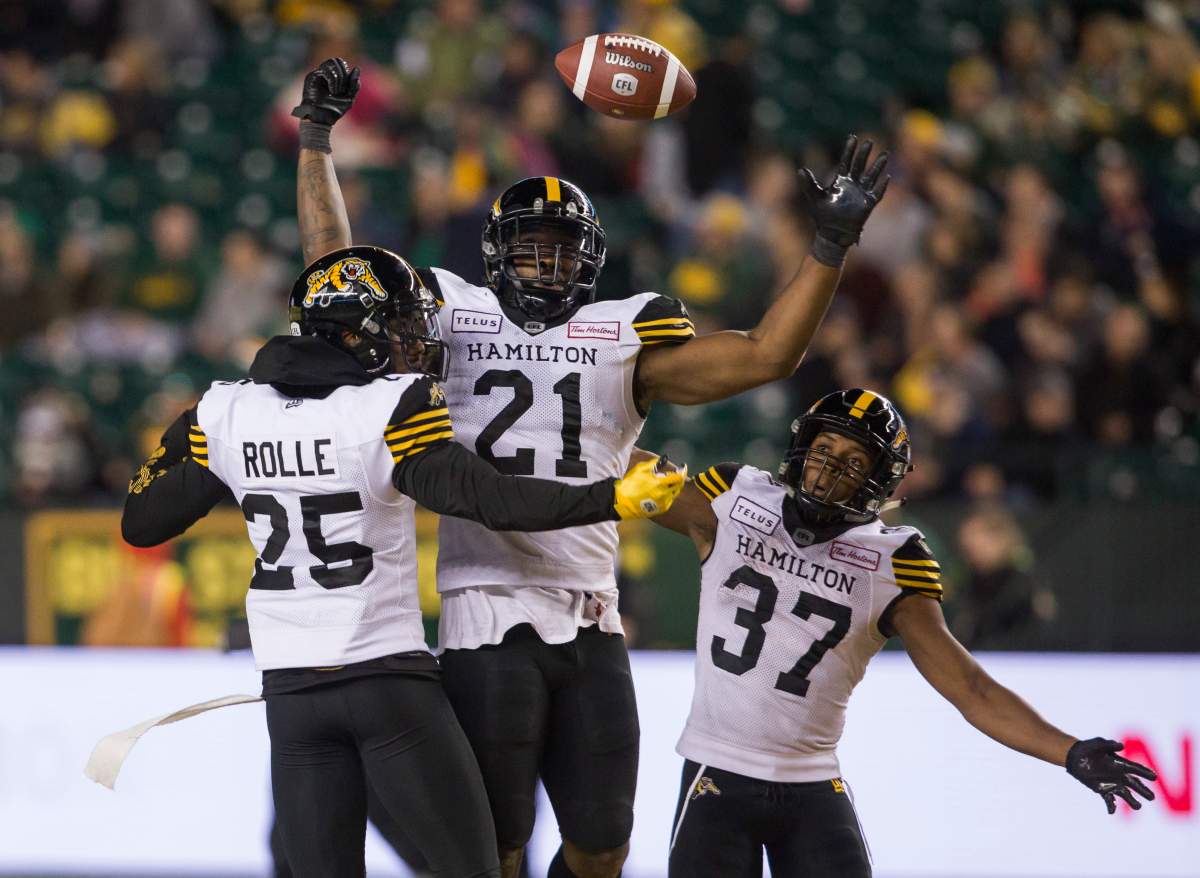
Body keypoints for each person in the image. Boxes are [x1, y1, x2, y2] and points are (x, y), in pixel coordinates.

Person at [291, 58, 889, 878]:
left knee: (604, 846)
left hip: (593, 615)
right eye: (529, 249)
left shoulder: (625, 333)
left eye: (561, 250)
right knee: (495, 851)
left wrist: (829, 244)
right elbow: (337, 277)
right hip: (485, 607)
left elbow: (764, 356)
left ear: (594, 258)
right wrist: (317, 141)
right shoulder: (451, 314)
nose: (545, 265)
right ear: (495, 254)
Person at [120, 245, 684, 878]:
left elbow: (141, 522)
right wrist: (610, 497)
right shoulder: (387, 405)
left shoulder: (229, 412)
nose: (415, 341)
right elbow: (490, 499)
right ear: (357, 332)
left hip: (293, 700)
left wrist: (191, 444)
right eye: (399, 325)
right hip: (389, 687)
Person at [646, 389, 1158, 877]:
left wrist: (1065, 750)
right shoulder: (735, 497)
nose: (830, 467)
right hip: (717, 773)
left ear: (879, 480)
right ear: (802, 448)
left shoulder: (893, 560)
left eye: (853, 460)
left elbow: (969, 687)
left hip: (812, 782)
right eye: (824, 448)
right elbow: (613, 467)